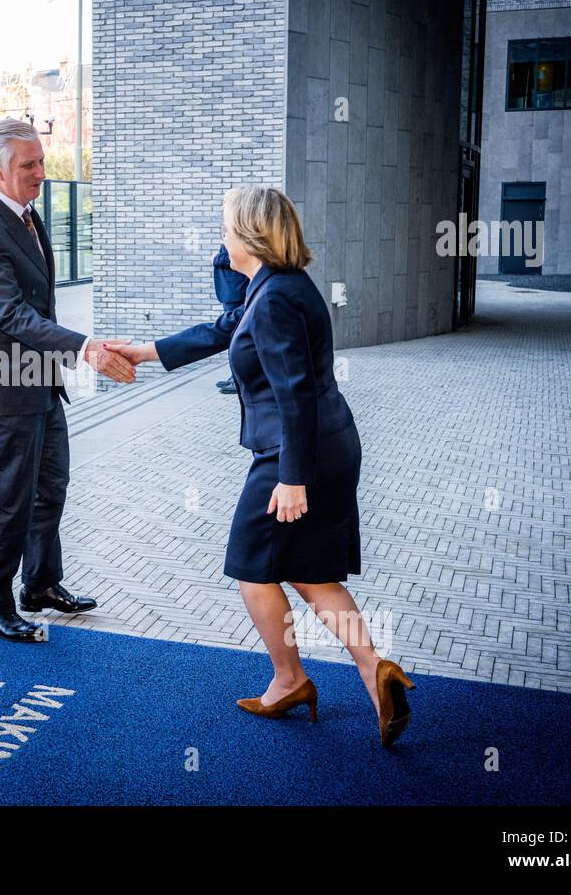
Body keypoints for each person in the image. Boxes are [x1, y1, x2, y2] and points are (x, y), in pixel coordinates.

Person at [106, 186, 418, 748]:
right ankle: (375, 671)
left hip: (293, 457)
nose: (219, 239)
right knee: (311, 574)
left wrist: (292, 479)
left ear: (250, 236)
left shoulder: (273, 300)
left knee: (253, 568)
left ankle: (289, 679)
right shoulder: (278, 286)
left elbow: (294, 392)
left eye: (226, 229)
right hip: (326, 447)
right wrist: (146, 350)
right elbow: (227, 325)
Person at [0, 117, 135, 643]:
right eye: (28, 164)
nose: (40, 172)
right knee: (10, 500)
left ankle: (40, 585)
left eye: (41, 161)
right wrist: (86, 348)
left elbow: (38, 308)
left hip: (38, 380)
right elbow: (12, 315)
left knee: (51, 486)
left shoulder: (25, 215)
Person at [212, 241, 246, 394]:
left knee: (235, 336)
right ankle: (234, 376)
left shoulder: (239, 233)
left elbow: (239, 257)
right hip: (230, 291)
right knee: (233, 335)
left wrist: (215, 259)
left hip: (236, 291)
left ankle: (238, 379)